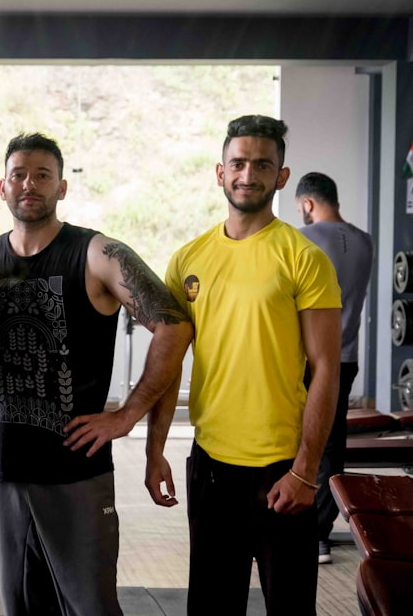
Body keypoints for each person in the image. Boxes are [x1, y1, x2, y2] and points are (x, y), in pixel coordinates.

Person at [0, 132, 193, 616]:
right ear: (1, 187)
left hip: (75, 467)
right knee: (21, 606)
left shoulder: (97, 254)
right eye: (19, 174)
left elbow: (174, 326)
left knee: (91, 607)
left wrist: (127, 415)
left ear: (62, 187)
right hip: (4, 464)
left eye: (43, 175)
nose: (29, 184)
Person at [148, 115, 342, 616]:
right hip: (211, 467)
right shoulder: (188, 259)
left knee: (291, 608)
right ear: (220, 171)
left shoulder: (303, 258)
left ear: (281, 176)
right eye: (238, 162)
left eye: (262, 164)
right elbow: (169, 366)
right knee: (211, 606)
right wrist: (153, 450)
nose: (247, 173)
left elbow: (325, 368)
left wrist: (305, 470)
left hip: (282, 469)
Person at [295, 171, 374, 564]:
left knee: (300, 441)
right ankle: (320, 536)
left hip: (309, 358)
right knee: (331, 443)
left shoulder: (302, 238)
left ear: (308, 204)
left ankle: (300, 531)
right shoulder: (364, 241)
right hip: (348, 357)